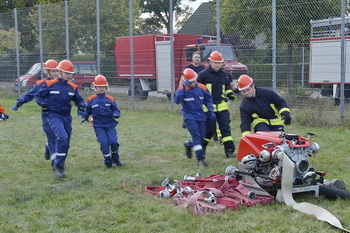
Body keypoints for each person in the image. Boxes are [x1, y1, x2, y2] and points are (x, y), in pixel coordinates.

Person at [35, 60, 86, 179]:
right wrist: (43, 104)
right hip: (53, 116)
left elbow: (78, 99)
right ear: (60, 72)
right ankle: (59, 166)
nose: (69, 76)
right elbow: (38, 96)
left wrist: (81, 107)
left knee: (66, 143)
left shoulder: (72, 87)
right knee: (62, 137)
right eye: (67, 73)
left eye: (71, 73)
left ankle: (57, 159)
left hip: (66, 117)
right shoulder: (49, 84)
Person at [12, 59, 60, 160]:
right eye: (53, 71)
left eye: (57, 71)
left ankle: (48, 147)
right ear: (47, 72)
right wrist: (19, 102)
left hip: (60, 115)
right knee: (52, 135)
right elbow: (30, 95)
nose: (56, 73)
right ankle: (56, 162)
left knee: (60, 137)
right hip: (47, 115)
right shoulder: (41, 84)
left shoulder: (62, 84)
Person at [197, 51, 236, 158]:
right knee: (209, 130)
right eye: (216, 62)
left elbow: (226, 88)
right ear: (210, 62)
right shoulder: (203, 75)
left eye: (219, 63)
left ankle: (229, 151)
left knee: (225, 128)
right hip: (209, 108)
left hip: (222, 106)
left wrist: (230, 94)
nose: (218, 65)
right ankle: (202, 147)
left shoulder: (225, 75)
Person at [81, 75, 124, 169]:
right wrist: (84, 116)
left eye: (103, 87)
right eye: (99, 87)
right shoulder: (91, 99)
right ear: (95, 87)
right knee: (104, 142)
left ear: (106, 87)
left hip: (110, 124)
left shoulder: (110, 99)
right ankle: (108, 161)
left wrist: (116, 114)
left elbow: (116, 110)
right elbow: (88, 111)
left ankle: (116, 158)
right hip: (98, 125)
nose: (101, 88)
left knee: (114, 142)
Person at [175, 68, 214, 167]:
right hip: (189, 116)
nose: (193, 84)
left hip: (200, 116)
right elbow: (177, 100)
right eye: (190, 82)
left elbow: (208, 99)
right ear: (186, 81)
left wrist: (210, 108)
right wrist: (183, 88)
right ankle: (200, 159)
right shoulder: (182, 90)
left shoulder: (202, 88)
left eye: (194, 81)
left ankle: (189, 144)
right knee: (196, 135)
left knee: (201, 137)